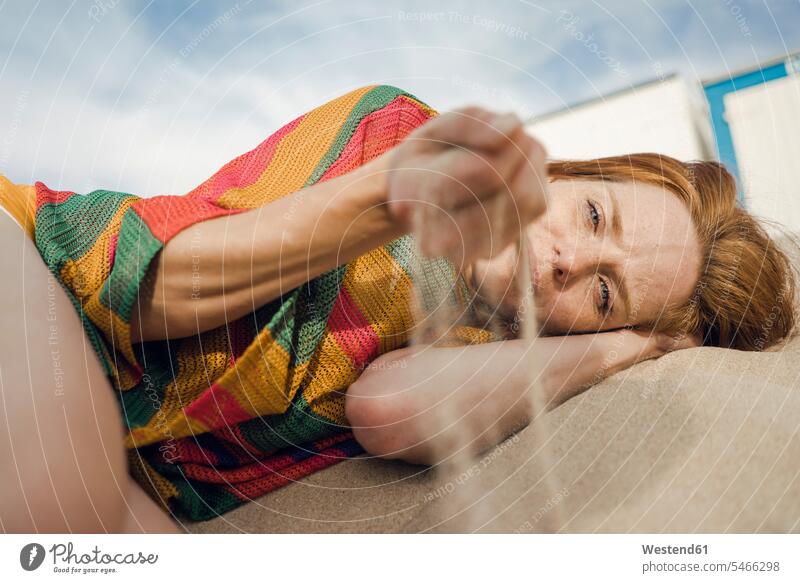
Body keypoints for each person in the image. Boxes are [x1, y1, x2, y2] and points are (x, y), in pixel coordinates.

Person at [0, 86, 794, 532]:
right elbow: (153, 293)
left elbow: (393, 408)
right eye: (593, 217)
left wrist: (622, 350)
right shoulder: (394, 132)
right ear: (573, 171)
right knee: (58, 494)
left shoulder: (495, 347)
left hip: (131, 467)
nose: (569, 259)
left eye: (604, 290)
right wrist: (385, 202)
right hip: (45, 280)